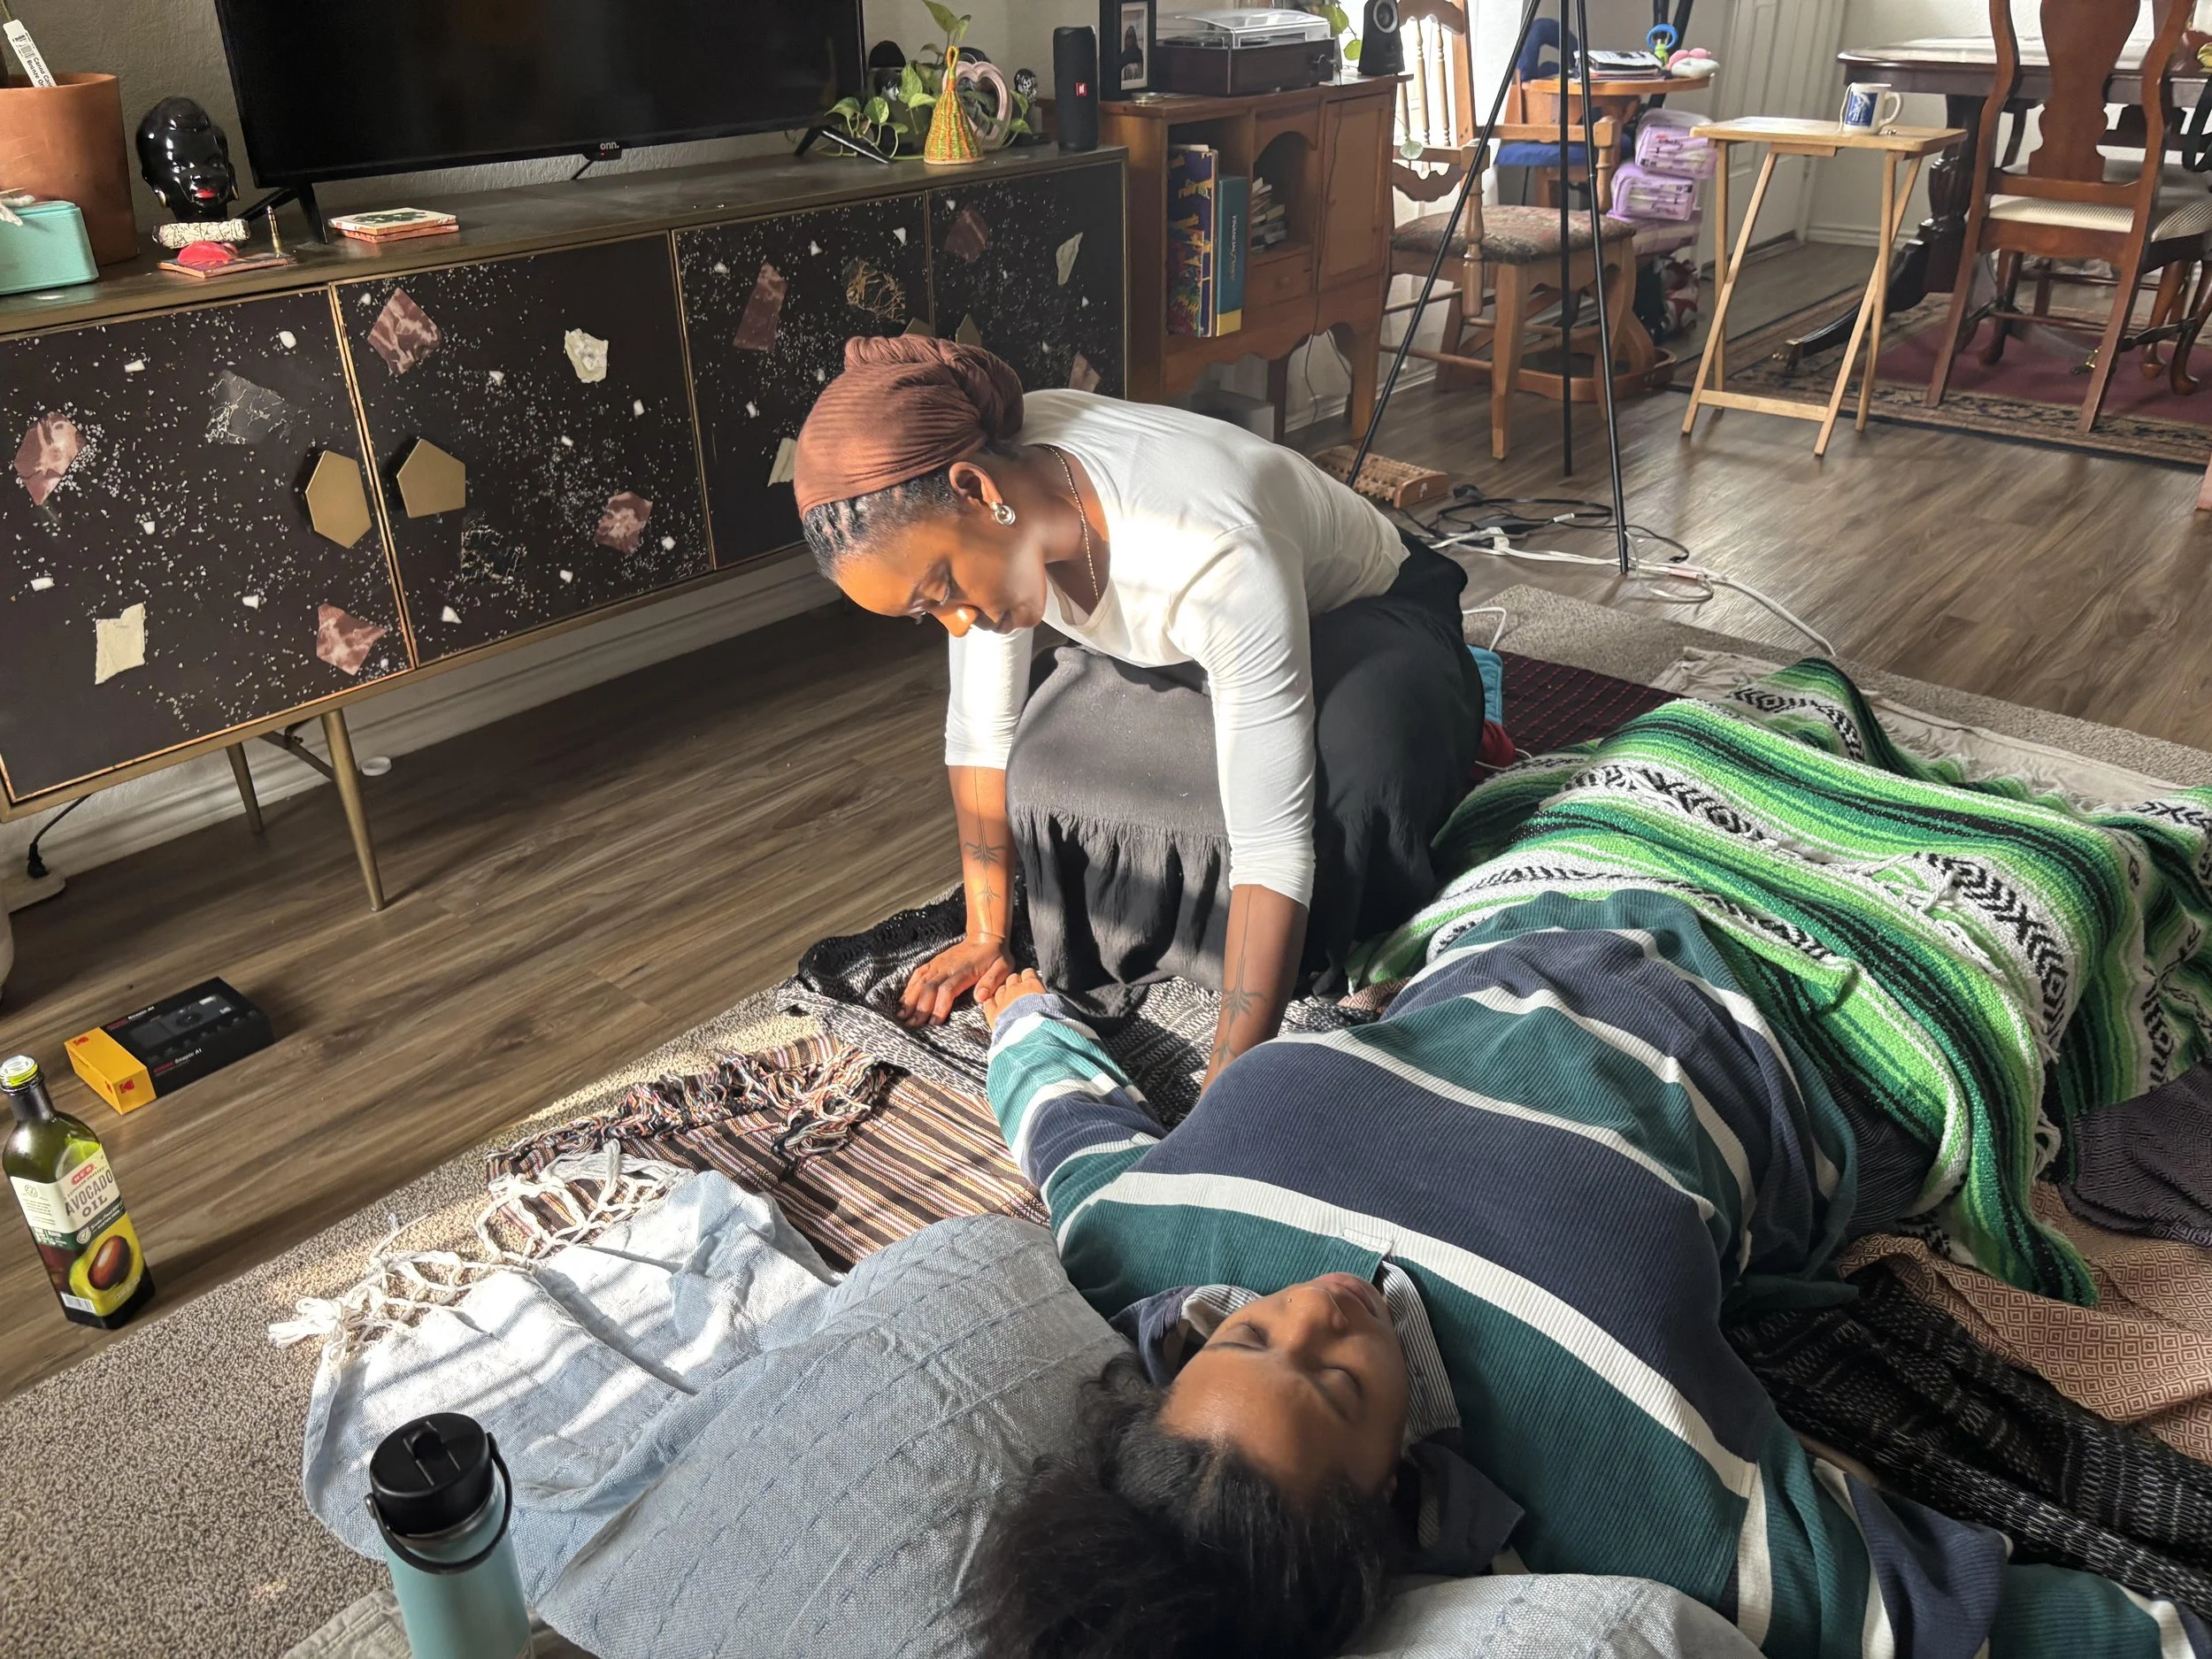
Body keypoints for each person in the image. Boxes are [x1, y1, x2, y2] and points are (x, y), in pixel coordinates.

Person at [961, 663, 2212, 1659]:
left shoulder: (1133, 1245)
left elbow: (1069, 1126)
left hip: (1530, 914)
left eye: (1247, 1336)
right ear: (1397, 1494)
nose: (1315, 1311)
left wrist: (1017, 1009)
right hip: (1803, 1014)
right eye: (1336, 1383)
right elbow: (1911, 1619)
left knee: (1707, 727)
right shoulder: (1617, 1475)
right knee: (2064, 886)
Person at [794, 336, 1483, 1088]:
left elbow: (1272, 844)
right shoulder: (999, 493)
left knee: (1347, 793)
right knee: (1043, 773)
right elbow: (979, 735)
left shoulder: (1210, 546)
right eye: (927, 614)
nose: (955, 625)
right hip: (1212, 639)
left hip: (1371, 612)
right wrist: (985, 932)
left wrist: (1230, 1080)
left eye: (943, 592)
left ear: (975, 489)